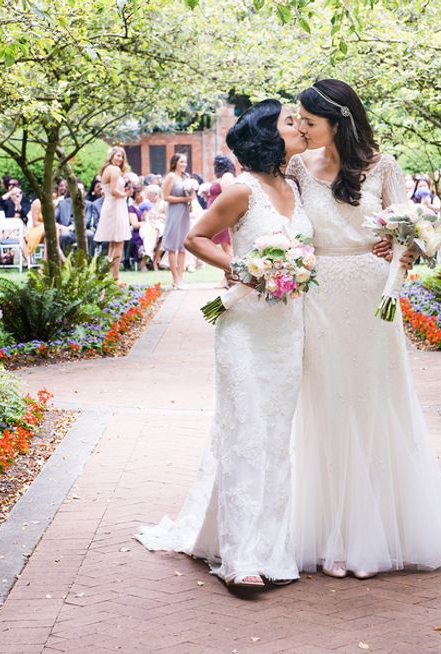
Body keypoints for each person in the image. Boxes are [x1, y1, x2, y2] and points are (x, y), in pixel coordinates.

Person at [290, 79, 441, 579]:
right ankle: (332, 534)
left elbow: (420, 230)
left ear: (338, 123)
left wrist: (401, 253)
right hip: (319, 294)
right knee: (328, 402)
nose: (301, 128)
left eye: (310, 121)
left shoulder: (382, 166)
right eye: (298, 120)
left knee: (373, 400)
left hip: (372, 295)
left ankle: (373, 533)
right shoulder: (298, 168)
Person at [137, 99, 313, 588]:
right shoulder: (241, 191)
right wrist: (242, 269)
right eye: (289, 121)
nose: (298, 126)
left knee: (276, 441)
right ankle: (240, 559)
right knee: (246, 435)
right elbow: (196, 238)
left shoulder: (298, 187)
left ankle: (272, 549)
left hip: (287, 330)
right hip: (245, 330)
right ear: (269, 136)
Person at [94, 146, 132, 280]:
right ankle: (115, 277)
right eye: (118, 156)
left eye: (122, 156)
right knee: (119, 242)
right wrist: (126, 194)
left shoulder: (106, 169)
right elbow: (115, 191)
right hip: (115, 206)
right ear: (111, 156)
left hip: (110, 205)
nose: (120, 159)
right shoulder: (114, 169)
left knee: (113, 243)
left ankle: (109, 275)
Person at [161, 153, 195, 289]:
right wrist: (183, 200)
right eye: (181, 162)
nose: (184, 165)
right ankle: (175, 279)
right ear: (175, 163)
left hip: (185, 213)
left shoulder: (186, 177)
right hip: (174, 212)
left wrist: (192, 194)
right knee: (172, 247)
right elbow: (166, 197)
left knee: (182, 247)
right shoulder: (170, 177)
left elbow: (191, 196)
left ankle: (180, 278)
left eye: (185, 162)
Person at [208, 155, 237, 261]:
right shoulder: (222, 177)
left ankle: (233, 271)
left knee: (226, 245)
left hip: (221, 215)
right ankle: (229, 272)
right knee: (224, 245)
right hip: (215, 214)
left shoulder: (227, 177)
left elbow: (227, 194)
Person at [138, 185, 166, 270]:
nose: (149, 196)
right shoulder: (146, 204)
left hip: (161, 225)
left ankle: (149, 257)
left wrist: (157, 216)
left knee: (159, 233)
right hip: (148, 225)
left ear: (156, 194)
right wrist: (146, 214)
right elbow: (142, 218)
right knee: (151, 233)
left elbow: (167, 217)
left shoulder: (163, 204)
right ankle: (148, 256)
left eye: (150, 194)